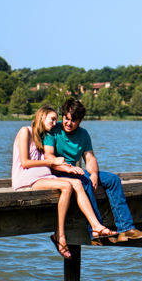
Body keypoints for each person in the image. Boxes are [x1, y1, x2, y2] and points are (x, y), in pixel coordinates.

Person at [12, 105, 118, 259]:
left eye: (56, 120)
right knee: (67, 185)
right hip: (25, 178)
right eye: (52, 119)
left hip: (41, 177)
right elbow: (25, 162)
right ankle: (60, 234)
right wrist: (55, 160)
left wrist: (69, 167)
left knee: (77, 183)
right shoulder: (25, 131)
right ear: (42, 116)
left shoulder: (42, 136)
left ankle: (96, 226)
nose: (55, 123)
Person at [45, 98, 142, 242]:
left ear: (80, 121)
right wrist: (69, 169)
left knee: (113, 180)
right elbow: (49, 157)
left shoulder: (83, 134)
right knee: (85, 181)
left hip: (77, 172)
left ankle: (126, 229)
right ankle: (95, 230)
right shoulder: (53, 131)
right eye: (66, 119)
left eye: (73, 120)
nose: (69, 123)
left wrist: (94, 174)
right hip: (58, 173)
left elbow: (90, 158)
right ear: (63, 116)